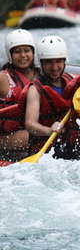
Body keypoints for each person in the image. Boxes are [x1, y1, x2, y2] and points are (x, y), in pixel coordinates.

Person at [24, 35, 73, 155]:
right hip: (45, 151)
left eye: (58, 61)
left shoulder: (71, 81)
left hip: (69, 144)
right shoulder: (35, 89)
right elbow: (30, 124)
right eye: (49, 62)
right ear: (41, 63)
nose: (55, 67)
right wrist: (49, 130)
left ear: (64, 61)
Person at [0, 29, 39, 159]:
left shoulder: (44, 73)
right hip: (8, 137)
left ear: (33, 53)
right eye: (17, 51)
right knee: (35, 135)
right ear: (10, 55)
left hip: (38, 128)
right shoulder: (3, 78)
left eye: (27, 50)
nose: (23, 55)